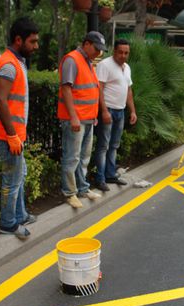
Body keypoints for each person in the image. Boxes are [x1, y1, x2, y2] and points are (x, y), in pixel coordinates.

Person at [0, 17, 39, 239]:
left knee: (20, 174)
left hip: (13, 135)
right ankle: (8, 223)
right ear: (19, 40)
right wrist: (11, 135)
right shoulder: (8, 64)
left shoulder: (17, 61)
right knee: (12, 179)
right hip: (7, 136)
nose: (36, 46)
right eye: (33, 42)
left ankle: (21, 214)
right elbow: (1, 100)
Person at [58, 31, 107, 208]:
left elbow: (90, 90)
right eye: (96, 48)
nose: (98, 53)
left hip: (87, 119)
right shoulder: (72, 59)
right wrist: (73, 117)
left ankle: (82, 188)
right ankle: (70, 192)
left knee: (83, 157)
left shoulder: (88, 62)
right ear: (86, 44)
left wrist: (94, 116)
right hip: (76, 120)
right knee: (72, 157)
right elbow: (66, 89)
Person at [92, 39, 137, 192]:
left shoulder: (127, 68)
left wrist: (132, 111)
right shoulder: (105, 65)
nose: (123, 55)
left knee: (114, 145)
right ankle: (100, 178)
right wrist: (104, 111)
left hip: (121, 110)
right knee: (103, 145)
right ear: (114, 51)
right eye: (120, 52)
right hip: (108, 110)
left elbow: (128, 90)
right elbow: (99, 89)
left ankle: (110, 174)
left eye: (126, 53)